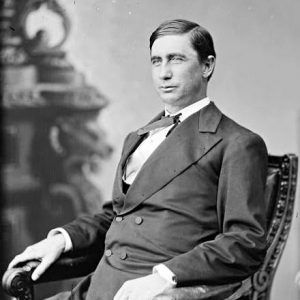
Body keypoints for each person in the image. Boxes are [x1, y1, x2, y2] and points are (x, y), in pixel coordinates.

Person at [8, 19, 268, 300]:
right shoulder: (139, 136)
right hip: (97, 288)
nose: (164, 73)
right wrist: (61, 239)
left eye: (176, 59)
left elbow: (245, 242)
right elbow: (118, 216)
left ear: (207, 66)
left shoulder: (237, 143)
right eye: (156, 61)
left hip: (153, 293)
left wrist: (165, 277)